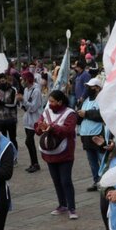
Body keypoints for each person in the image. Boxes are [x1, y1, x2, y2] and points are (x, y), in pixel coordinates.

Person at [36, 90, 79, 219]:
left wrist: (52, 128)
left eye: (53, 101)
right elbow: (38, 128)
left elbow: (68, 130)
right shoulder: (46, 111)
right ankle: (62, 204)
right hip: (50, 152)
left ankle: (72, 207)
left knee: (66, 180)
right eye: (49, 101)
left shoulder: (70, 114)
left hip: (65, 153)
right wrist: (40, 127)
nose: (50, 104)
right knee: (56, 181)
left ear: (60, 102)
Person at [77, 77, 105, 191]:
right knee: (92, 162)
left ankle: (105, 182)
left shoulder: (102, 100)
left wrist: (87, 114)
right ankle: (96, 181)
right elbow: (79, 115)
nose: (88, 89)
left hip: (98, 135)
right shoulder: (85, 101)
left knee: (102, 160)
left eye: (90, 87)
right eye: (87, 87)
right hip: (86, 135)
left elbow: (102, 115)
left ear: (97, 88)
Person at [20, 71, 43, 172]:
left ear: (28, 79)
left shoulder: (36, 91)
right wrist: (20, 101)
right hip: (27, 119)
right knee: (30, 143)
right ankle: (33, 163)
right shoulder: (26, 89)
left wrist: (24, 101)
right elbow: (25, 106)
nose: (22, 81)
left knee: (28, 141)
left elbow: (33, 107)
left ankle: (36, 163)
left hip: (34, 120)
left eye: (23, 79)